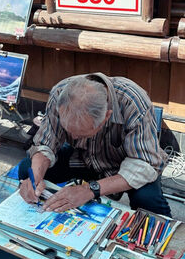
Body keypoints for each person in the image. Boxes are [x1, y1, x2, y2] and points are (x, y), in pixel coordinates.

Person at [20, 73, 171, 217]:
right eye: (69, 131)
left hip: (125, 164)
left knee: (147, 199)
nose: (73, 136)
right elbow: (46, 142)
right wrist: (35, 177)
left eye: (81, 134)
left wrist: (88, 190)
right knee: (28, 167)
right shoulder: (60, 93)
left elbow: (144, 163)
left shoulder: (133, 101)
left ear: (107, 116)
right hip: (82, 157)